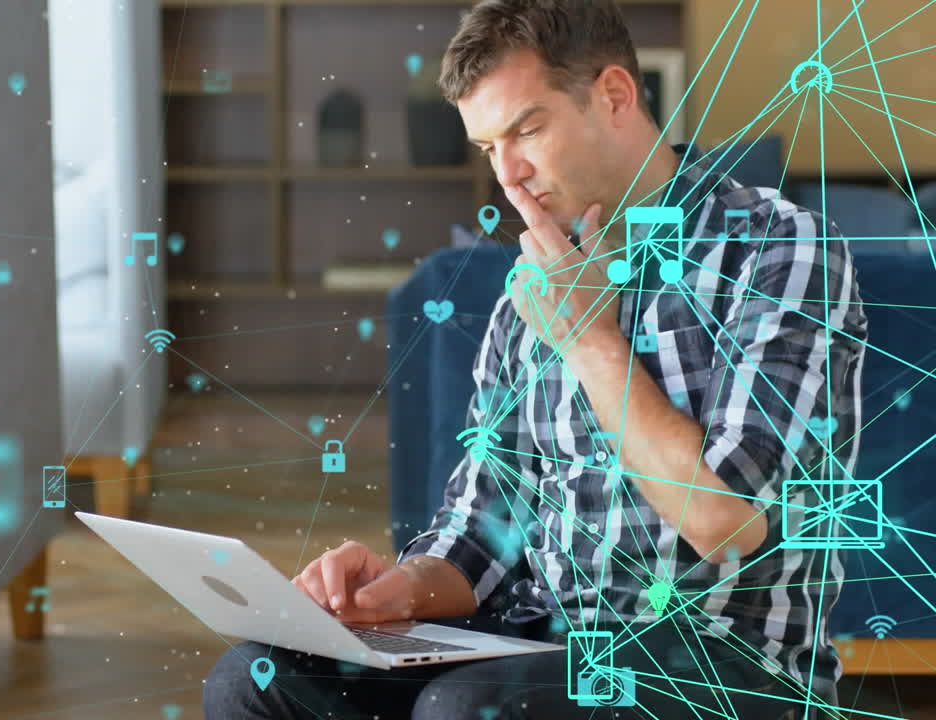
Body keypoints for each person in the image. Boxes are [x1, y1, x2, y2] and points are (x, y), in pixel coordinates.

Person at [204, 0, 867, 717]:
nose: (511, 177)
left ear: (614, 95)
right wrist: (395, 588)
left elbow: (727, 521)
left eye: (527, 129)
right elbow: (482, 527)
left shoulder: (778, 249)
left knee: (466, 707)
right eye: (490, 148)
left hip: (723, 662)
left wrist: (591, 341)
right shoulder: (530, 293)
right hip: (540, 643)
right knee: (256, 677)